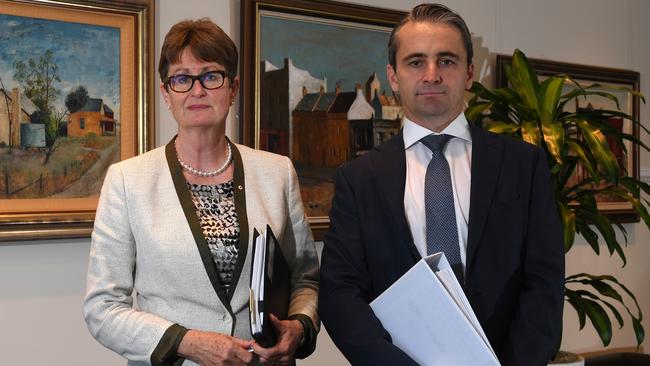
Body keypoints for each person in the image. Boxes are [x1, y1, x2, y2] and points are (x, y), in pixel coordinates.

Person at [319, 3, 564, 366]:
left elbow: (544, 282)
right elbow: (340, 294)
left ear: (468, 73)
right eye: (416, 62)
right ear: (393, 75)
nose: (431, 74)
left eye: (446, 61)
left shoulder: (522, 165)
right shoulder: (359, 179)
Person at [83, 18, 319, 366]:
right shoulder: (127, 180)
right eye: (182, 78)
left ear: (233, 87)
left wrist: (297, 328)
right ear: (166, 93)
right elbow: (102, 308)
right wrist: (188, 342)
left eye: (211, 76)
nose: (197, 90)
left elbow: (305, 277)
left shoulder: (277, 172)